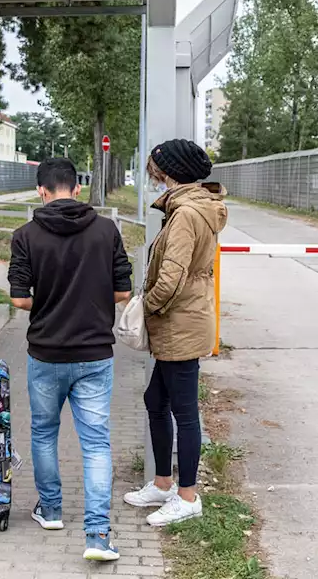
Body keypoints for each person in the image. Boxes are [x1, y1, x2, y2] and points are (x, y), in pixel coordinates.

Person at [8, 157, 133, 563]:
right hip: (96, 352)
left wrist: (50, 301)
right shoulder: (106, 230)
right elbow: (122, 293)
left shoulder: (25, 235)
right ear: (76, 188)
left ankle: (51, 510)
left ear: (41, 191)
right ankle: (97, 536)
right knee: (96, 443)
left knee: (44, 432)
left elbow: (20, 298)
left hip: (46, 352)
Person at [123, 138, 227, 527]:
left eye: (156, 169)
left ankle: (187, 496)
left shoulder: (185, 214)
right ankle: (164, 483)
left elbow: (171, 276)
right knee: (156, 399)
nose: (153, 175)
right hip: (180, 320)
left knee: (184, 412)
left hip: (180, 321)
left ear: (170, 171)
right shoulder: (193, 207)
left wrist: (143, 306)